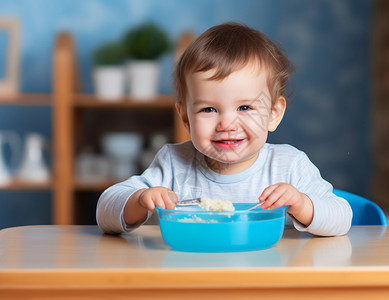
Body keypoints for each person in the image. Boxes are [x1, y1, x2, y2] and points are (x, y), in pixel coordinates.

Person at [96, 22, 352, 236]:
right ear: (186, 119)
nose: (227, 125)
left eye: (245, 108)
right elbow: (105, 211)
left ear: (273, 114)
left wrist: (302, 204)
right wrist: (140, 199)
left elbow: (342, 217)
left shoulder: (288, 166)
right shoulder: (174, 163)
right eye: (209, 110)